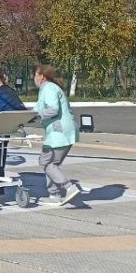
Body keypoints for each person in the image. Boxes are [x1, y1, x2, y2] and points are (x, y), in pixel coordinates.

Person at [34, 64, 80, 206]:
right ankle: (54, 195)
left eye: (36, 75)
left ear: (42, 76)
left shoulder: (48, 88)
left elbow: (53, 109)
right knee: (52, 164)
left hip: (58, 132)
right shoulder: (50, 88)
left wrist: (37, 114)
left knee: (46, 162)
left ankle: (69, 187)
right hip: (65, 132)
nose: (34, 78)